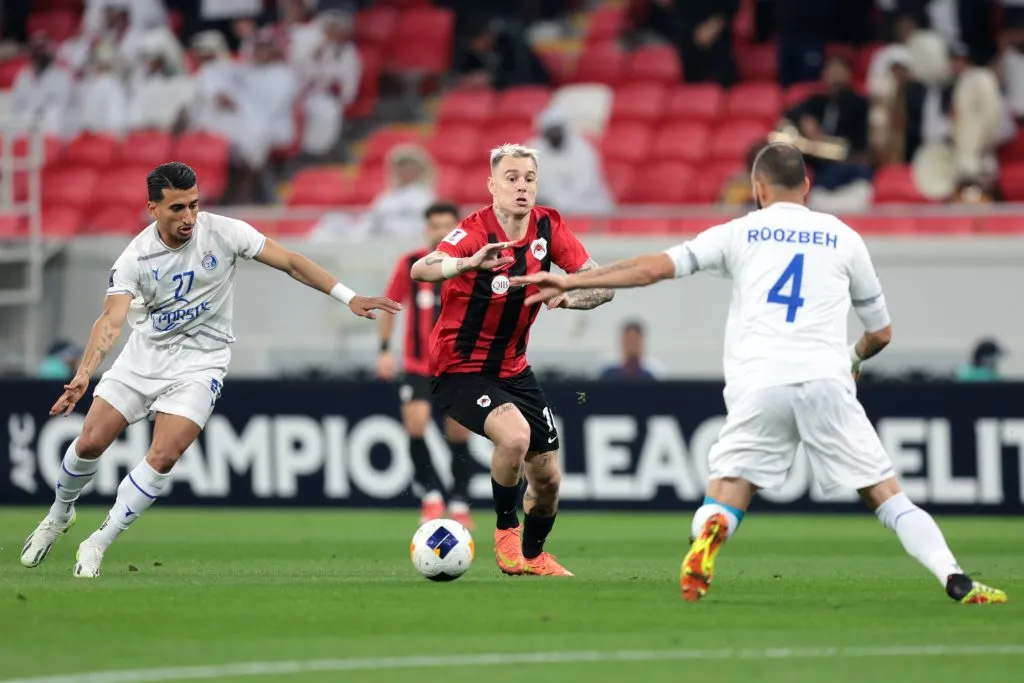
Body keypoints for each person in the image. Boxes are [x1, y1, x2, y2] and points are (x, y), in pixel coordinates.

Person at [512, 142, 1007, 605]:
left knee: (729, 489)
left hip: (761, 382)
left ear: (758, 188)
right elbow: (882, 334)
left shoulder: (741, 232)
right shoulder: (844, 238)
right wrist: (852, 359)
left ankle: (712, 532)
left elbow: (651, 269)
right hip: (826, 379)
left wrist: (572, 277)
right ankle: (953, 576)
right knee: (885, 495)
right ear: (806, 187)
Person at [20, 162, 400, 578]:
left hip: (203, 362)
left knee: (164, 454)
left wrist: (348, 297)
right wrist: (84, 373)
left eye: (194, 206)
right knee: (90, 442)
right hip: (143, 358)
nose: (188, 218)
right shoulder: (135, 258)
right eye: (177, 208)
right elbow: (110, 320)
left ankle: (99, 541)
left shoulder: (223, 232)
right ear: (153, 209)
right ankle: (59, 515)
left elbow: (290, 261)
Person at [409, 143, 614, 577]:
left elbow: (603, 285)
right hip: (459, 369)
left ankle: (535, 555)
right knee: (515, 436)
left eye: (529, 179)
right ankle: (506, 531)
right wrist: (465, 264)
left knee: (549, 479)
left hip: (515, 371)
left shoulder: (547, 227)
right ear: (492, 186)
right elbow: (422, 269)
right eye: (512, 178)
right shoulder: (473, 233)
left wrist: (567, 296)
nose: (522, 187)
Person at [378, 202, 474, 528]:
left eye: (447, 225)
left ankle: (460, 501)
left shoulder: (468, 265)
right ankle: (432, 496)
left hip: (457, 365)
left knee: (459, 431)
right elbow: (390, 304)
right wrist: (384, 350)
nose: (440, 231)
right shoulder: (410, 263)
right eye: (434, 225)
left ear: (456, 228)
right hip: (419, 365)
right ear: (427, 229)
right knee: (415, 423)